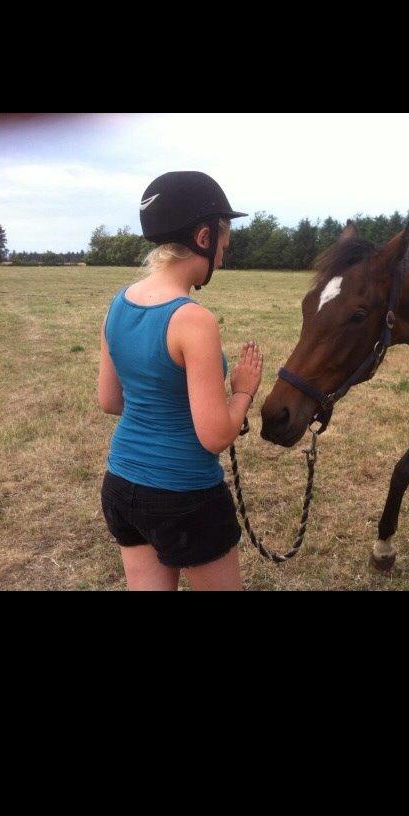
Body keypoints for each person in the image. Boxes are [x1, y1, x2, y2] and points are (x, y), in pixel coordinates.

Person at [97, 172, 262, 591]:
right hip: (184, 496)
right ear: (204, 237)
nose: (223, 257)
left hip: (121, 485)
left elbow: (110, 401)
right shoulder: (193, 319)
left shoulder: (119, 302)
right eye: (224, 242)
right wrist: (242, 390)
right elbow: (215, 436)